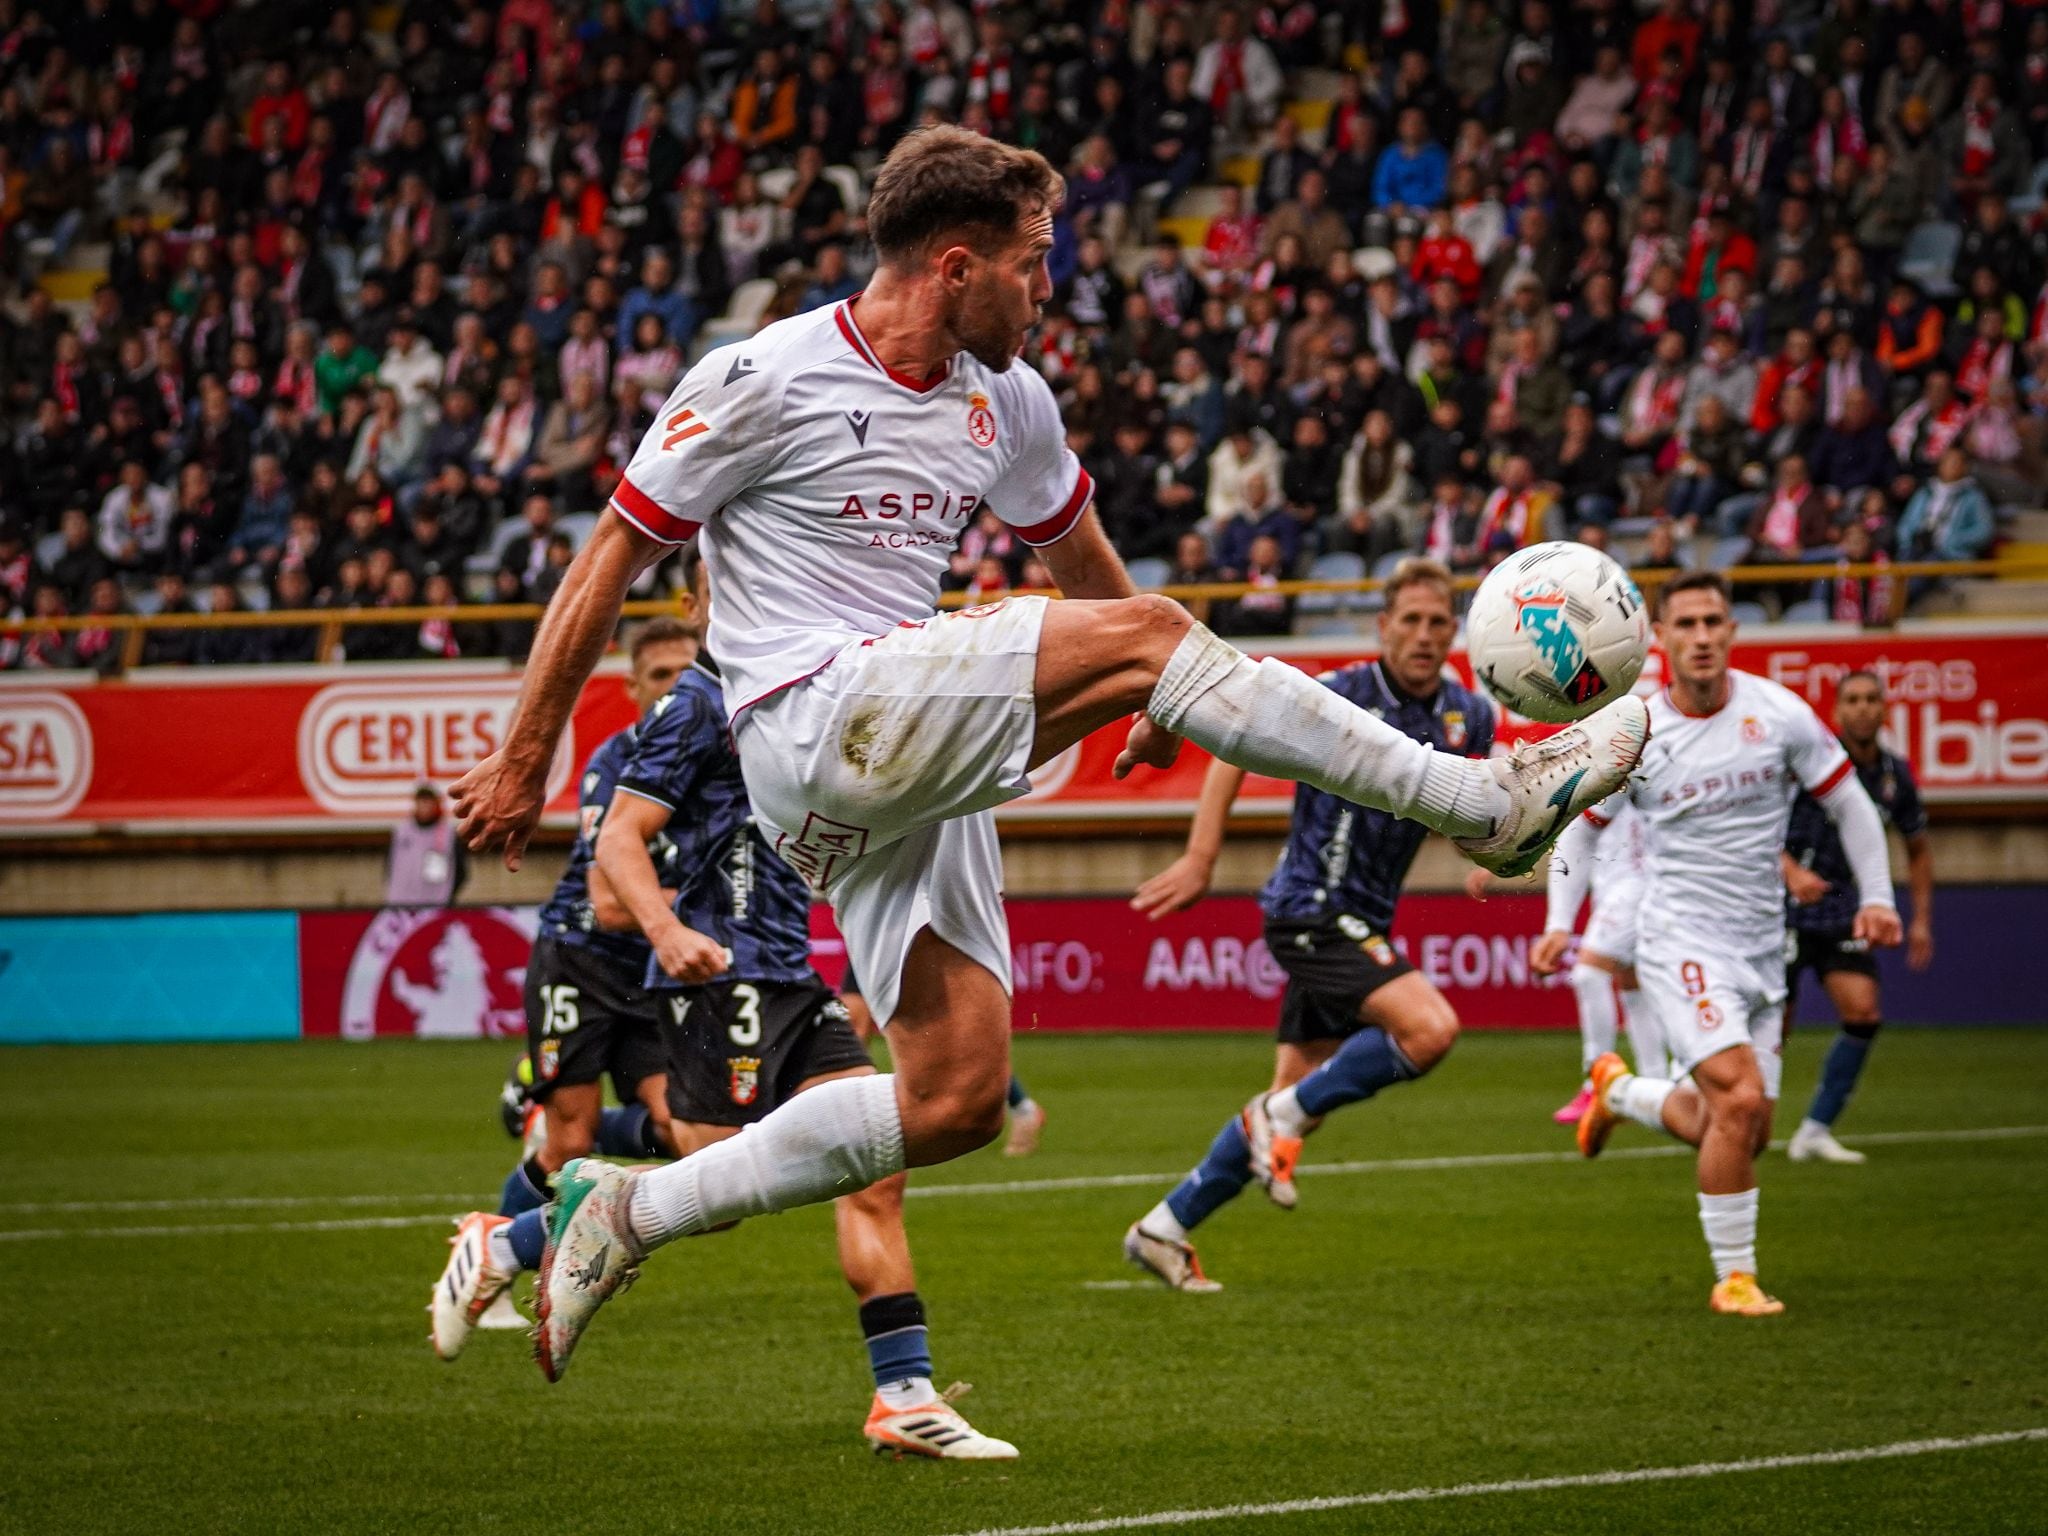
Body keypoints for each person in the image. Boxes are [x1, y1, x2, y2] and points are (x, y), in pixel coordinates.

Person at [446, 128, 1648, 1379]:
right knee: (1153, 636)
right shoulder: (759, 377)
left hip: (894, 766)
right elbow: (610, 555)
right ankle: (1481, 802)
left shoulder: (1004, 397)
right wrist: (527, 751)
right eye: (1034, 261)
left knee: (955, 1099)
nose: (1050, 285)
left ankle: (628, 1211)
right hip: (808, 719)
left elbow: (1076, 557)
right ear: (955, 266)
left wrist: (1151, 682)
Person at [583, 565, 1014, 1456]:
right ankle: (525, 1227)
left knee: (877, 1163)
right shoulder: (697, 702)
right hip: (716, 980)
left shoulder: (802, 691)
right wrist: (665, 931)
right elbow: (616, 839)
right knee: (714, 1184)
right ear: (703, 602)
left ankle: (903, 1393)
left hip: (793, 976)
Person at [1122, 560, 1495, 1290]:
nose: (1423, 635)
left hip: (1364, 919)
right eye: (1409, 621)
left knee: (1294, 1101)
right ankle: (1277, 1119)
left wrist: (1488, 857)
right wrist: (1201, 857)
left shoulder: (1467, 715)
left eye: (1437, 622)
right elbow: (1235, 748)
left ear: (1454, 632)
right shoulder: (1346, 693)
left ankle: (1163, 1228)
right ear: (1383, 626)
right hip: (1311, 910)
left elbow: (1465, 808)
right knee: (1429, 1030)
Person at [1566, 572, 1901, 1316]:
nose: (1703, 636)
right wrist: (1561, 922)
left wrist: (1878, 898)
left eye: (1715, 621)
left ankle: (1618, 1090)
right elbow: (1581, 831)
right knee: (1741, 1098)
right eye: (1686, 624)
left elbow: (1850, 803)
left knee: (1741, 1128)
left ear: (1733, 632)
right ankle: (1735, 1278)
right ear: (1661, 638)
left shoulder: (1779, 714)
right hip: (1679, 942)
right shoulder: (1637, 731)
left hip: (1761, 947)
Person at [430, 618, 697, 1358]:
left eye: (686, 669)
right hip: (580, 959)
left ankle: (543, 1115)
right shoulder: (616, 764)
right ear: (633, 686)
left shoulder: (710, 759)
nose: (675, 683)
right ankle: (494, 1250)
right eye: (660, 674)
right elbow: (613, 902)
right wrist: (724, 908)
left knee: (687, 1132)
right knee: (568, 1141)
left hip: (648, 970)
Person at [1780, 670, 1934, 1163]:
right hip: (1782, 906)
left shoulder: (1894, 774)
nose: (1863, 708)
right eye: (1853, 700)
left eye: (1872, 699)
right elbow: (1754, 827)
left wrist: (1920, 920)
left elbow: (1918, 848)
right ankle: (1740, 1119)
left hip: (1843, 909)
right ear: (1838, 710)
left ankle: (1815, 1129)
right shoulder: (1812, 762)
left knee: (1863, 1011)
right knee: (1770, 1032)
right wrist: (1789, 874)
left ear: (1884, 708)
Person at [1532, 796, 1666, 1125]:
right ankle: (1659, 1086)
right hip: (1612, 880)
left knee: (1589, 974)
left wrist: (1558, 925)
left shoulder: (1632, 755)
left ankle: (1597, 1082)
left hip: (1636, 882)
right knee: (1632, 983)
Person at [385, 783, 467, 907]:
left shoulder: (446, 834)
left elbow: (460, 872)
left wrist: (448, 898)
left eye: (428, 802)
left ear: (435, 805)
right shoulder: (402, 832)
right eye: (421, 802)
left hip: (435, 905)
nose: (424, 807)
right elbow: (389, 866)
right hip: (401, 905)